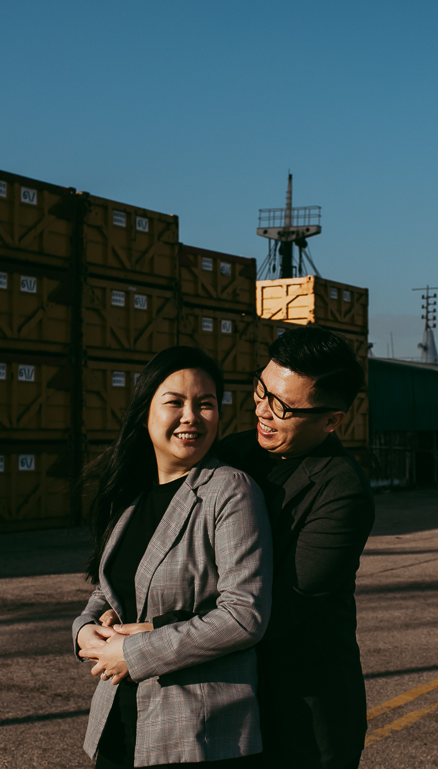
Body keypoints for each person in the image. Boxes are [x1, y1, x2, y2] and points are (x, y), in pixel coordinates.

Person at [106, 327, 375, 768]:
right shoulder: (234, 450)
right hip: (225, 693)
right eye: (261, 390)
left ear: (331, 420)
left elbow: (274, 609)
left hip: (298, 707)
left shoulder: (342, 493)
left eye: (284, 407)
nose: (264, 411)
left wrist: (154, 629)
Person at [73, 346, 272, 768]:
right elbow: (112, 590)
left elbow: (244, 615)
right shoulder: (131, 493)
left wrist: (135, 653)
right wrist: (84, 631)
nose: (191, 417)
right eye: (175, 402)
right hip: (120, 723)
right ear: (146, 411)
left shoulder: (230, 490)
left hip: (197, 735)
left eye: (205, 404)